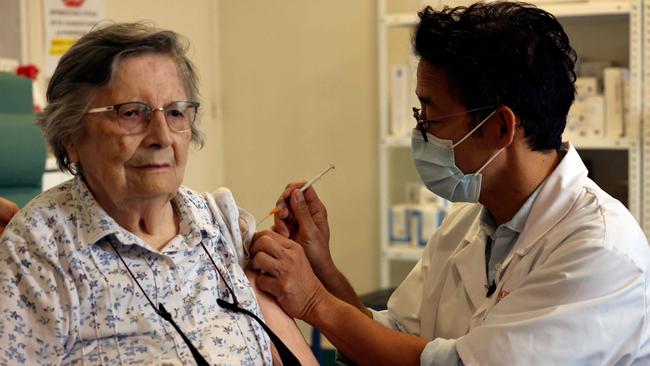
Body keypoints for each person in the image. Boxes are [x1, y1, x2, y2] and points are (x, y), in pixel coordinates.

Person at [250, 2, 650, 365]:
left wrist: (314, 301)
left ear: (499, 127)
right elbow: (393, 342)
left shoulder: (599, 250)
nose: (420, 132)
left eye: (431, 118)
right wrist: (321, 265)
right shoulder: (467, 227)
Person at [0, 22, 317, 365]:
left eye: (176, 112)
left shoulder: (217, 224)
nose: (162, 136)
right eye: (131, 113)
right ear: (71, 138)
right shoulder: (41, 250)